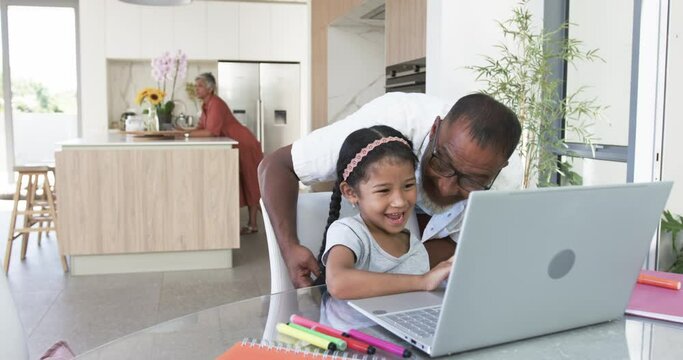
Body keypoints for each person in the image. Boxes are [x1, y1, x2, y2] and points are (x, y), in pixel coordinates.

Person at [258, 92, 521, 288]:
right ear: (434, 129)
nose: (445, 186)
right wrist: (290, 247)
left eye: (471, 181)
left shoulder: (506, 183)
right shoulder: (392, 121)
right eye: (441, 163)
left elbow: (447, 255)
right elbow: (276, 165)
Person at [320, 126, 453, 299]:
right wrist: (422, 281)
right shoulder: (349, 232)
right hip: (347, 327)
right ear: (351, 193)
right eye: (384, 191)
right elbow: (338, 283)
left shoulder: (414, 247)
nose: (400, 201)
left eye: (408, 186)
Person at [187, 72, 263, 235]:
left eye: (200, 86)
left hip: (245, 143)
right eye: (196, 86)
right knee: (244, 182)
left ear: (210, 88)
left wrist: (184, 135)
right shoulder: (206, 105)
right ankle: (254, 222)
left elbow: (211, 132)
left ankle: (253, 224)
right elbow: (201, 127)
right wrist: (184, 132)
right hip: (236, 144)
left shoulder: (216, 103)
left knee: (250, 182)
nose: (196, 89)